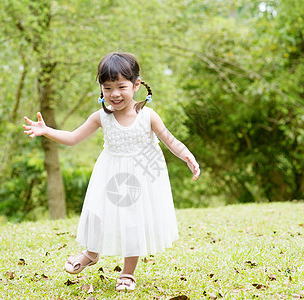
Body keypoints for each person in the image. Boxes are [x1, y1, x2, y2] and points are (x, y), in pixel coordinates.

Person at [23, 52, 200, 292]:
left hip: (141, 176)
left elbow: (170, 140)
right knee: (97, 212)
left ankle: (128, 273)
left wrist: (187, 155)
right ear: (101, 89)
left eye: (121, 86)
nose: (114, 94)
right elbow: (73, 137)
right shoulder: (100, 118)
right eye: (107, 88)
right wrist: (47, 130)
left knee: (132, 223)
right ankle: (91, 253)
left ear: (136, 85)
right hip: (110, 172)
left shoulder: (148, 116)